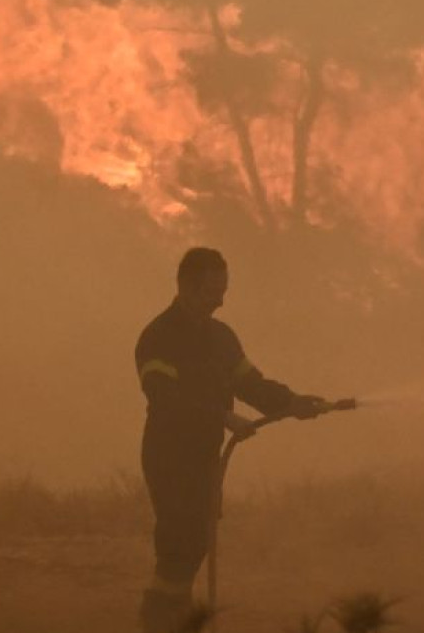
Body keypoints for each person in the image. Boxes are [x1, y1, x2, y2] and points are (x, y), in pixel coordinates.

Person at [133, 247, 329, 633]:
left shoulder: (221, 337)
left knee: (197, 540)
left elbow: (250, 384)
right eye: (213, 291)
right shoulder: (157, 338)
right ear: (187, 288)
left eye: (224, 289)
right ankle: (157, 620)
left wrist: (292, 402)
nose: (222, 299)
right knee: (179, 539)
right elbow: (165, 398)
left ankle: (175, 615)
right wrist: (221, 416)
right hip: (169, 456)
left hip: (205, 455)